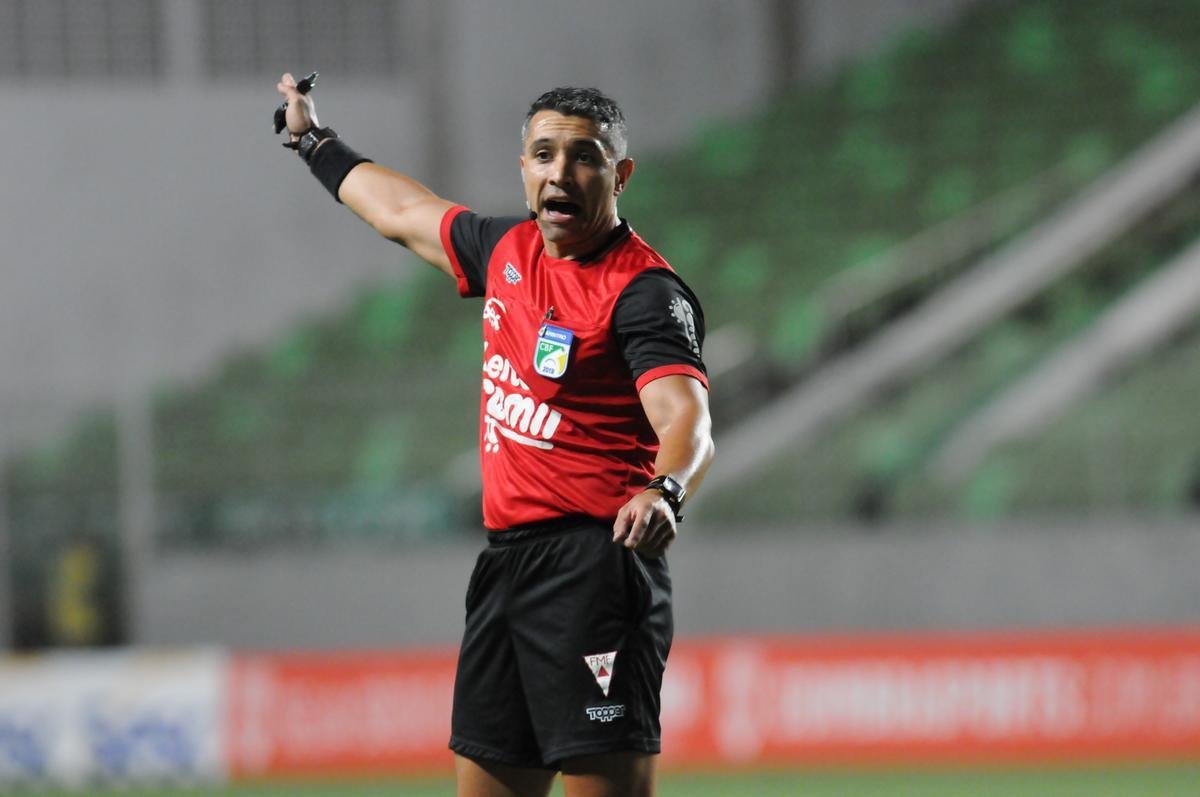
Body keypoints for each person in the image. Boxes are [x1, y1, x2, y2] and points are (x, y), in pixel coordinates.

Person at [274, 74, 715, 797]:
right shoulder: (508, 250)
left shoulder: (642, 293)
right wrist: (312, 141)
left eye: (584, 157)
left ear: (620, 174)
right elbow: (401, 211)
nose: (560, 173)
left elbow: (685, 419)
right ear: (524, 169)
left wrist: (666, 488)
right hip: (506, 567)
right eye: (544, 155)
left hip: (596, 568)